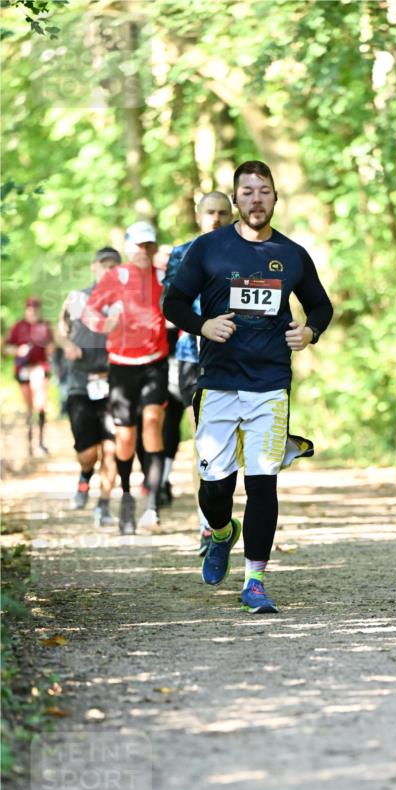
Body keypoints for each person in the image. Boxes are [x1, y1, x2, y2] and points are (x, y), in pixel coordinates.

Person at [163, 161, 333, 613]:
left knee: (262, 483)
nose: (256, 199)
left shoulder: (292, 254)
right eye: (248, 191)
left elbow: (320, 305)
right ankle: (220, 532)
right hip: (219, 381)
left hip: (270, 382)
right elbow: (173, 302)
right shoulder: (209, 248)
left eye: (265, 191)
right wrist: (204, 324)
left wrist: (310, 332)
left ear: (275, 198)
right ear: (235, 199)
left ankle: (255, 580)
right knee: (216, 487)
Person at [82, 221, 168, 535]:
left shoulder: (163, 278)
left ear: (155, 248)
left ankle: (153, 507)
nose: (144, 250)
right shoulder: (115, 276)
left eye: (150, 245)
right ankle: (128, 497)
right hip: (121, 366)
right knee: (126, 439)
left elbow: (182, 309)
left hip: (155, 363)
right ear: (129, 247)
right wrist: (104, 324)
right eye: (139, 245)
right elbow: (89, 312)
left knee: (151, 421)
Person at [163, 191, 234, 556]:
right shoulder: (182, 253)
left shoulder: (246, 249)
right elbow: (169, 304)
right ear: (198, 214)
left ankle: (234, 519)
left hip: (242, 358)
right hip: (194, 357)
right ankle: (208, 523)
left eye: (224, 212)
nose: (217, 219)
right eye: (211, 213)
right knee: (204, 443)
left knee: (236, 446)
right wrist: (202, 324)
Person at [56, 246, 121, 525]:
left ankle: (103, 505)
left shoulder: (125, 303)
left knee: (111, 449)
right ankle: (85, 477)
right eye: (103, 265)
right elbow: (60, 329)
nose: (108, 271)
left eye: (113, 266)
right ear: (94, 267)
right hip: (80, 384)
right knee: (87, 452)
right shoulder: (77, 298)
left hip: (114, 383)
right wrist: (68, 343)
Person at [5, 297, 54, 456]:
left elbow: (51, 347)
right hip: (23, 369)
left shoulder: (45, 326)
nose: (33, 311)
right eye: (30, 308)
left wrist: (50, 350)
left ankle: (40, 442)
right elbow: (6, 347)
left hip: (39, 368)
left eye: (36, 308)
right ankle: (29, 443)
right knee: (29, 407)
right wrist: (18, 351)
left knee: (40, 403)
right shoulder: (18, 327)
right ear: (26, 309)